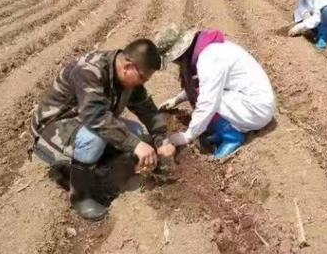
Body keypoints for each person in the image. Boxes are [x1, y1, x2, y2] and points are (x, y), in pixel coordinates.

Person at [29, 39, 176, 221]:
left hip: (81, 124)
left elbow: (146, 108)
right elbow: (95, 118)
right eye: (143, 78)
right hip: (52, 130)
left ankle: (95, 164)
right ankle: (81, 196)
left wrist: (161, 138)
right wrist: (136, 145)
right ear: (128, 67)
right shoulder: (89, 71)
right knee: (96, 138)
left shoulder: (126, 76)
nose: (142, 83)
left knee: (134, 130)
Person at [155, 25, 275, 159]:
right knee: (205, 93)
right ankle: (225, 129)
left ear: (181, 54)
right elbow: (204, 84)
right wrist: (177, 99)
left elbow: (207, 101)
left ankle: (232, 136)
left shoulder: (210, 59)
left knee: (206, 99)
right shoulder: (209, 51)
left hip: (256, 109)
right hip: (248, 100)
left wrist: (187, 136)